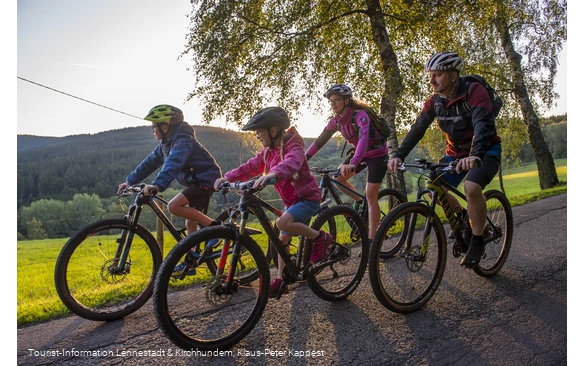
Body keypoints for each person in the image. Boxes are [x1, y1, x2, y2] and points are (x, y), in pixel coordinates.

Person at [387, 51, 502, 268]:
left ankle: (477, 241)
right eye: (430, 75)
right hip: (455, 154)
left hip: (485, 151)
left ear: (453, 75)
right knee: (434, 186)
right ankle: (461, 219)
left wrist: (475, 154)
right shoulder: (434, 102)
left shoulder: (474, 91)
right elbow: (418, 128)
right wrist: (398, 155)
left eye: (437, 75)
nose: (432, 81)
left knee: (471, 187)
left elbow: (482, 124)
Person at [214, 106, 330, 298]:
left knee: (282, 223)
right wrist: (228, 177)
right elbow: (251, 166)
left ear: (273, 130)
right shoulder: (267, 152)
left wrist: (275, 173)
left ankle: (321, 238)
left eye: (259, 132)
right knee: (282, 239)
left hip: (307, 199)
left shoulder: (294, 146)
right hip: (290, 202)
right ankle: (282, 280)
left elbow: (292, 162)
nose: (257, 136)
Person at [117, 104, 222, 277]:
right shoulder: (166, 144)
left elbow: (173, 163)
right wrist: (130, 180)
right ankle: (192, 261)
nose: (152, 130)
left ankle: (215, 229)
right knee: (190, 222)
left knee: (173, 206)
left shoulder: (182, 141)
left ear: (165, 127)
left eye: (153, 127)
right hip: (195, 182)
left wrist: (157, 185)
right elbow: (149, 163)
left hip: (206, 179)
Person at [305, 84, 389, 244]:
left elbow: (364, 138)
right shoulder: (336, 121)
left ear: (347, 100)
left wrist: (354, 162)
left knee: (371, 195)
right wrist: (304, 159)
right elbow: (320, 140)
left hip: (377, 154)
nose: (334, 104)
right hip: (360, 154)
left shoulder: (360, 115)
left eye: (337, 100)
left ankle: (373, 240)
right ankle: (359, 203)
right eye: (331, 101)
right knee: (338, 179)